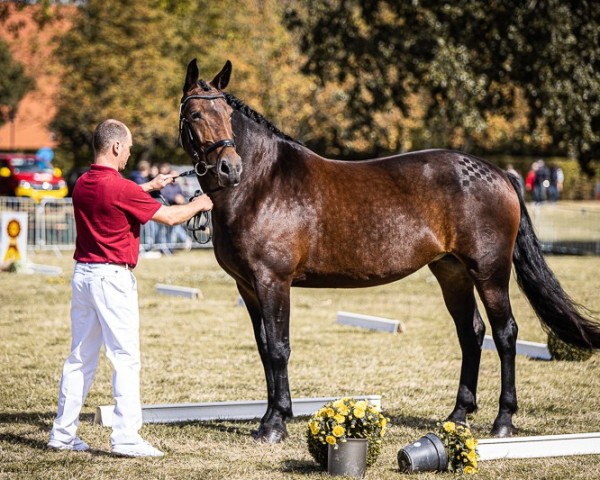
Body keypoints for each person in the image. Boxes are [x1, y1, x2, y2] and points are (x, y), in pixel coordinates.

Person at [47, 119, 213, 457]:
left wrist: (150, 186)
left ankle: (62, 434)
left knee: (80, 359)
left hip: (84, 275)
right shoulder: (120, 187)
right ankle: (125, 437)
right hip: (112, 278)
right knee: (125, 358)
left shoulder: (82, 183)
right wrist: (202, 203)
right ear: (116, 147)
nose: (130, 154)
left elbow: (115, 196)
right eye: (129, 148)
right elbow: (169, 217)